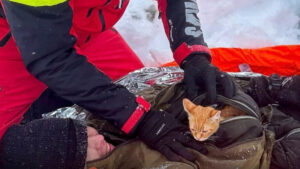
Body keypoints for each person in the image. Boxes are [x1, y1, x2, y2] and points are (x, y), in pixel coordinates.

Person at [0, 0, 236, 168]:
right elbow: (51, 57)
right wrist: (138, 118)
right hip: (16, 40)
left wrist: (193, 55)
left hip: (89, 33)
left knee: (152, 95)